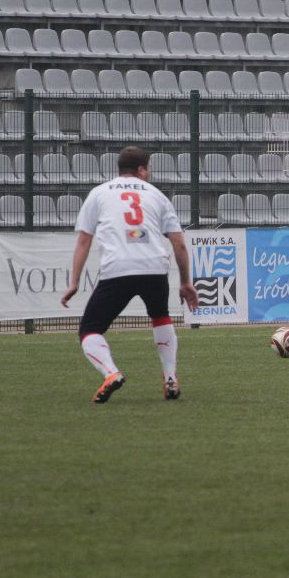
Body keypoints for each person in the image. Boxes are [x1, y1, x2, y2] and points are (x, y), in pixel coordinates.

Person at [61, 146, 199, 403]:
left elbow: (83, 241)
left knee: (90, 330)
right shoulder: (157, 196)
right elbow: (179, 244)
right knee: (161, 317)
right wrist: (185, 283)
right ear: (142, 169)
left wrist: (74, 282)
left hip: (118, 268)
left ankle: (111, 373)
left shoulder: (99, 193)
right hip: (154, 267)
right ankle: (170, 378)